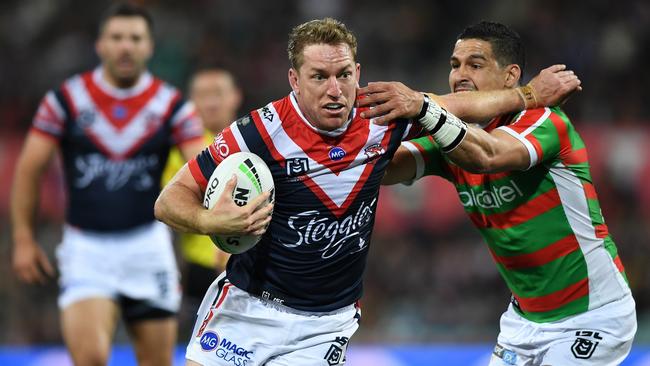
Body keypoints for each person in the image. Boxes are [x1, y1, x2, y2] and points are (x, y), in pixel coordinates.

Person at [154, 18, 579, 366]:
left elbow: (461, 105)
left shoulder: (382, 111)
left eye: (343, 75)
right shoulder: (259, 132)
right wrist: (210, 221)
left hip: (325, 323)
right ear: (294, 80)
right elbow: (169, 199)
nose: (334, 89)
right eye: (319, 77)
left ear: (357, 73)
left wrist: (527, 95)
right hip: (247, 307)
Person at [364, 21, 636, 365]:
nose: (460, 75)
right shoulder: (450, 140)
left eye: (475, 65)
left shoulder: (545, 122)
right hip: (523, 322)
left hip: (593, 314)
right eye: (454, 65)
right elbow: (382, 169)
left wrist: (423, 109)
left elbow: (488, 155)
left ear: (511, 76)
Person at [11, 3, 205, 366]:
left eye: (135, 38)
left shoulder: (172, 106)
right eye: (117, 38)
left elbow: (205, 167)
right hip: (87, 249)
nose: (126, 46)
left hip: (148, 247)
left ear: (149, 47)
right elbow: (29, 169)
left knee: (157, 362)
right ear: (100, 45)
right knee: (90, 358)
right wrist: (23, 239)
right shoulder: (65, 101)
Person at [161, 68, 242, 332]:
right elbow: (166, 216)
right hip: (200, 276)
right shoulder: (177, 155)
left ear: (235, 97)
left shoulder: (258, 142)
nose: (211, 103)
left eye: (217, 93)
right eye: (202, 95)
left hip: (255, 269)